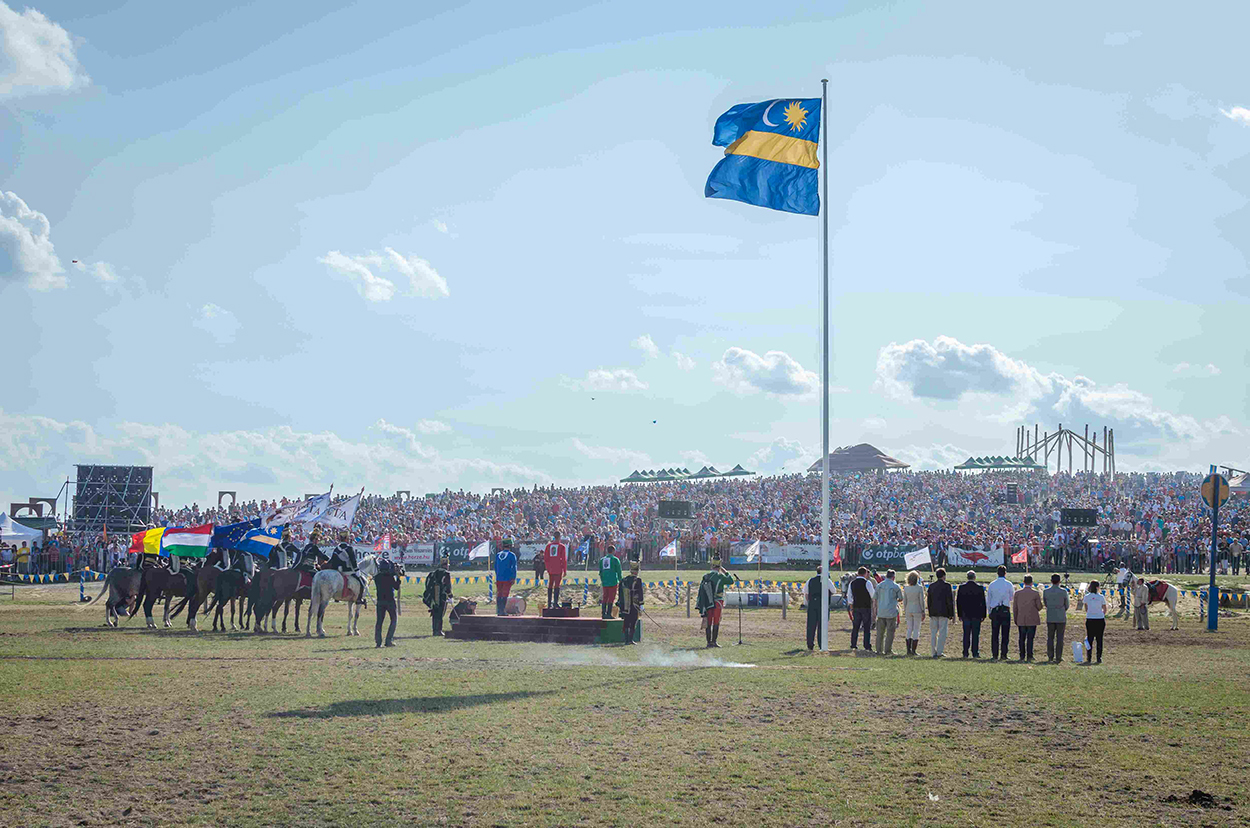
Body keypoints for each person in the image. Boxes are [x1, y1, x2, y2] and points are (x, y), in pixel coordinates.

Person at [695, 556, 735, 648]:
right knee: (716, 621)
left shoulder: (705, 576)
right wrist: (725, 571)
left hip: (707, 602)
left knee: (708, 621)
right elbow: (731, 581)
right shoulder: (720, 576)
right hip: (717, 602)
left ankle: (709, 643)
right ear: (719, 566)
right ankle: (714, 642)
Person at [986, 565, 1015, 662]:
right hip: (1005, 609)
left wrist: (989, 611)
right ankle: (1004, 654)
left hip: (995, 610)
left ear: (997, 573)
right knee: (1005, 634)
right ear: (1005, 573)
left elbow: (988, 599)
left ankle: (994, 654)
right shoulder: (1009, 584)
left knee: (995, 634)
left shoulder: (992, 584)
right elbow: (1012, 597)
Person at [1011, 574, 1043, 662]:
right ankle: (1029, 655)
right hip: (1032, 618)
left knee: (1021, 638)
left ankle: (1022, 655)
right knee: (1030, 638)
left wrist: (1015, 617)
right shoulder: (1035, 593)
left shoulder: (1017, 593)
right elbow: (1039, 607)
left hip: (1021, 618)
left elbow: (1015, 608)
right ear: (1032, 583)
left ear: (1023, 582)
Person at [956, 571, 986, 659]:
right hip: (976, 614)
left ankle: (965, 652)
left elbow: (958, 602)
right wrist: (983, 615)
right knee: (975, 635)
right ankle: (975, 652)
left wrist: (959, 614)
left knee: (966, 634)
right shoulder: (980, 588)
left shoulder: (962, 588)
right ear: (974, 577)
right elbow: (983, 603)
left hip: (965, 614)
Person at [373, 554, 400, 648]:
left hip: (380, 601)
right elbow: (396, 587)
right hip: (390, 601)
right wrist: (398, 577)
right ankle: (389, 640)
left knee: (379, 622)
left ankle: (378, 641)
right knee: (393, 620)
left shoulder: (377, 577)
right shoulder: (390, 577)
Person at [926, 567, 955, 658]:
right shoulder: (947, 586)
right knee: (942, 632)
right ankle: (939, 651)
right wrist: (951, 614)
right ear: (944, 576)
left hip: (933, 612)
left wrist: (930, 612)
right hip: (944, 612)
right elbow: (949, 601)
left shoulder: (931, 586)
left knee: (933, 633)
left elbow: (929, 600)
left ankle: (933, 651)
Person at [873, 569, 902, 656]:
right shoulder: (896, 586)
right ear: (893, 577)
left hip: (881, 612)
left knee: (880, 633)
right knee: (890, 632)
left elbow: (875, 598)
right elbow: (901, 598)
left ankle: (878, 650)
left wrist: (875, 610)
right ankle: (888, 650)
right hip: (891, 612)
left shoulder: (879, 585)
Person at [423, 555, 454, 636]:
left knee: (435, 612)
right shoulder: (446, 573)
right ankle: (438, 630)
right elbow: (448, 586)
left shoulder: (433, 573)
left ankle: (435, 630)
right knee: (440, 613)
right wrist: (450, 596)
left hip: (433, 595)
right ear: (446, 565)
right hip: (441, 596)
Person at [805, 565, 834, 651]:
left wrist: (810, 602)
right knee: (822, 626)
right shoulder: (827, 580)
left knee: (811, 626)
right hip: (823, 605)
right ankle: (822, 645)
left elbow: (806, 593)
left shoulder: (810, 580)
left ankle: (810, 645)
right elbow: (834, 590)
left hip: (812, 605)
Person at [847, 566, 875, 652]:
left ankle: (853, 644)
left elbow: (849, 597)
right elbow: (873, 595)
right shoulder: (868, 583)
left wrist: (851, 607)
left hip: (856, 607)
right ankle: (866, 645)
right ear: (865, 573)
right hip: (866, 607)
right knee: (866, 627)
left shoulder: (852, 583)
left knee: (855, 627)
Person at [1043, 573, 1069, 663]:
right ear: (1059, 581)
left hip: (1050, 615)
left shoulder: (1046, 591)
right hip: (1061, 617)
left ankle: (1050, 656)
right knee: (1060, 638)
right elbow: (1067, 605)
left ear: (1051, 581)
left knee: (1050, 637)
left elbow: (1045, 603)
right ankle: (1058, 656)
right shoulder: (1063, 591)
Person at [617, 561, 644, 644]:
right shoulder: (638, 580)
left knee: (626, 622)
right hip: (634, 605)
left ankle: (626, 640)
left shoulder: (623, 580)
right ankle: (630, 639)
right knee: (633, 623)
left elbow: (620, 593)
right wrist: (641, 604)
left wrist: (620, 603)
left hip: (625, 605)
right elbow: (640, 593)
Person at [902, 571, 926, 657]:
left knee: (909, 629)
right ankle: (913, 650)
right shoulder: (919, 588)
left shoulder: (906, 588)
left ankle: (908, 650)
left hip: (908, 609)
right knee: (916, 629)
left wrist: (905, 610)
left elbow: (904, 601)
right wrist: (923, 611)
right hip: (917, 610)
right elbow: (921, 601)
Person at [1083, 580, 1107, 664]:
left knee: (1090, 638)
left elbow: (1086, 608)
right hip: (1099, 619)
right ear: (1097, 587)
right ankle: (1098, 657)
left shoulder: (1086, 596)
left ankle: (1089, 657)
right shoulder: (1101, 597)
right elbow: (1104, 608)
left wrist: (1090, 613)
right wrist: (1101, 614)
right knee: (1099, 639)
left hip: (1090, 618)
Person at [542, 530, 566, 608]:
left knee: (550, 584)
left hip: (550, 568)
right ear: (559, 537)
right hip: (558, 568)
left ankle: (549, 603)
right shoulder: (562, 546)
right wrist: (564, 570)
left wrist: (547, 568)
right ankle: (555, 603)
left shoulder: (548, 546)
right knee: (557, 585)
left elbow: (545, 558)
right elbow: (564, 559)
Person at [493, 540, 518, 616]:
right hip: (507, 578)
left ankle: (499, 611)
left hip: (499, 577)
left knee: (499, 594)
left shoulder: (498, 555)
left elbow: (495, 567)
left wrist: (497, 575)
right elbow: (514, 567)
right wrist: (513, 577)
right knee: (505, 594)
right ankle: (502, 611)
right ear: (510, 546)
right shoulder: (512, 555)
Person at [598, 544, 622, 619]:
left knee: (605, 597)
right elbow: (619, 571)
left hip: (605, 581)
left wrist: (602, 580)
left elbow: (600, 572)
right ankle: (608, 613)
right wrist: (620, 580)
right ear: (613, 551)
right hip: (613, 581)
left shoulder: (602, 560)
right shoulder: (615, 560)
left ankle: (603, 613)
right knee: (611, 598)